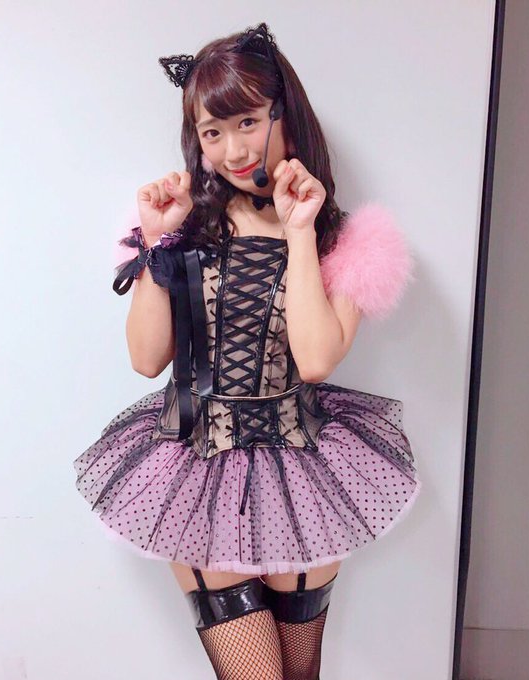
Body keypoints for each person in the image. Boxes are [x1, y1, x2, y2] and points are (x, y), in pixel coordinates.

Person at [74, 21, 422, 680]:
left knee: (300, 673)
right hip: (199, 464)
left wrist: (299, 231)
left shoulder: (342, 238)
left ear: (284, 115)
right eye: (212, 132)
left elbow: (316, 360)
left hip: (303, 468)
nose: (232, 148)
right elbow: (146, 359)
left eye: (247, 122)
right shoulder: (182, 225)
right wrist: (157, 243)